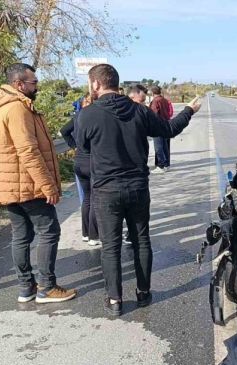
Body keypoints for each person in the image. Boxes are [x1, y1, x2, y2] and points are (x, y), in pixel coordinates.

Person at [76, 64, 201, 316]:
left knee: (111, 247)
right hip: (137, 187)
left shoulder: (87, 115)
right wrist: (188, 110)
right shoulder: (139, 111)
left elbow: (82, 147)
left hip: (106, 190)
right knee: (141, 240)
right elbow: (169, 130)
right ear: (116, 83)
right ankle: (143, 293)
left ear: (96, 84)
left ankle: (114, 301)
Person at [0, 63, 76, 304]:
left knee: (20, 235)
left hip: (10, 184)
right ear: (19, 84)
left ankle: (26, 287)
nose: (38, 86)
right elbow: (28, 151)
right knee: (49, 231)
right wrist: (48, 186)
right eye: (34, 82)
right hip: (26, 183)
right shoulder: (16, 109)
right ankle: (47, 287)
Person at [60, 95, 100, 246]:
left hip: (79, 161)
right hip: (93, 161)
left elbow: (64, 131)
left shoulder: (77, 117)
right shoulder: (95, 117)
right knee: (95, 197)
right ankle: (94, 236)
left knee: (87, 198)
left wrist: (74, 145)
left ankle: (85, 233)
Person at [149, 86, 173, 173]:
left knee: (158, 147)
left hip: (158, 126)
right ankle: (166, 164)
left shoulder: (155, 101)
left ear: (152, 93)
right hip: (166, 124)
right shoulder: (164, 100)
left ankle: (161, 165)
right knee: (165, 146)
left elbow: (153, 114)